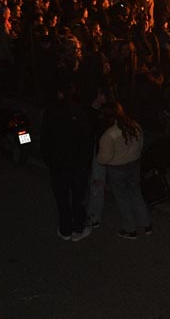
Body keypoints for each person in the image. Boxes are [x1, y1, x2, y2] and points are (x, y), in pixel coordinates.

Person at [41, 79, 94, 241]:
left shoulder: (50, 112)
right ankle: (78, 228)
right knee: (77, 199)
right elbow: (87, 141)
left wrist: (49, 160)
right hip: (77, 166)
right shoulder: (79, 112)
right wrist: (86, 164)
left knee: (62, 199)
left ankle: (65, 230)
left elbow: (45, 140)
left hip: (58, 166)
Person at [97, 103, 152, 239]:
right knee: (135, 193)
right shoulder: (134, 126)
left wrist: (98, 158)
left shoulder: (109, 135)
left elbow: (104, 158)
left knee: (122, 198)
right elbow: (141, 145)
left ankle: (130, 229)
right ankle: (146, 223)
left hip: (117, 169)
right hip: (134, 165)